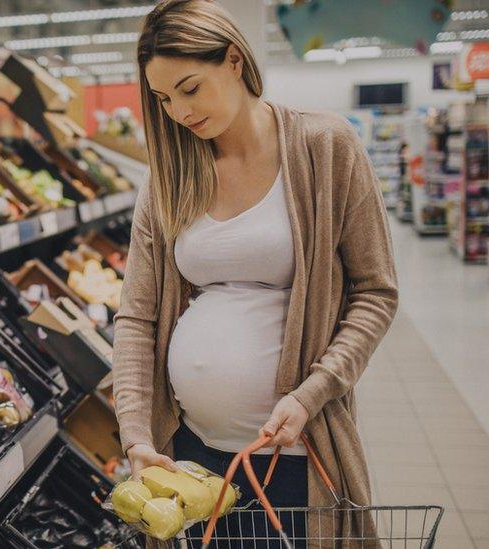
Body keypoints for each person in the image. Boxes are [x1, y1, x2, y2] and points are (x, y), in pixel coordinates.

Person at [111, 1, 398, 547]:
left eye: (190, 88)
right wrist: (136, 433)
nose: (179, 112)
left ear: (235, 60)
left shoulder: (324, 147)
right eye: (164, 99)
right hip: (190, 454)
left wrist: (313, 392)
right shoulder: (169, 178)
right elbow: (136, 316)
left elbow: (375, 292)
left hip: (295, 452)